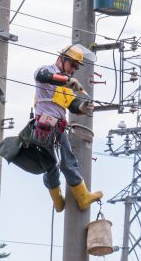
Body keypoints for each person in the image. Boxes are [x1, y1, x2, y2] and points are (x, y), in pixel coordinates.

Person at [32, 44, 103, 211]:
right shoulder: (46, 71)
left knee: (64, 162)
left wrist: (83, 106)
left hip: (57, 126)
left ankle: (78, 197)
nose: (73, 70)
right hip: (45, 124)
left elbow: (71, 103)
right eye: (72, 65)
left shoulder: (64, 83)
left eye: (76, 67)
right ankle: (61, 199)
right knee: (52, 163)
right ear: (61, 59)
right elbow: (43, 76)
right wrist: (67, 80)